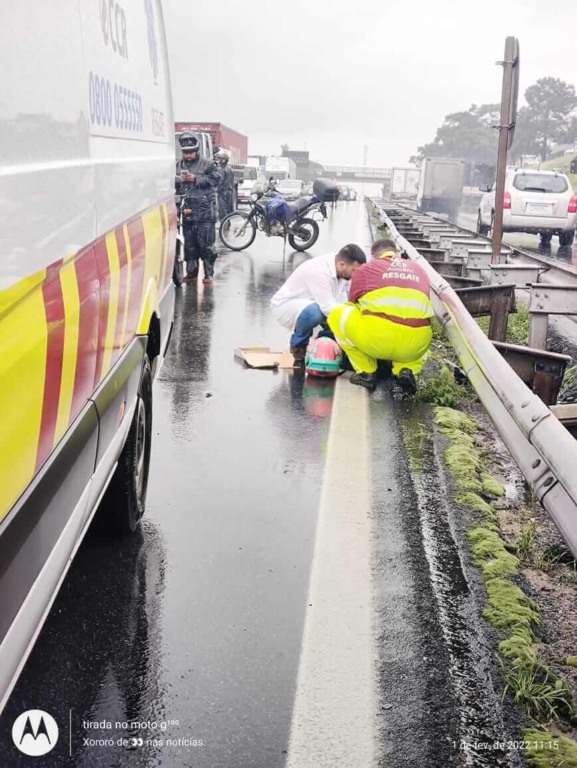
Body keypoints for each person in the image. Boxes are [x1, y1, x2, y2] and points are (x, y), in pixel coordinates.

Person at [327, 238, 433, 394]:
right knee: (420, 323)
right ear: (396, 252)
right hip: (413, 347)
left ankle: (366, 373)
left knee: (338, 313)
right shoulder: (420, 270)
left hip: (378, 341)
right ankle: (406, 370)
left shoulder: (365, 269)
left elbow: (354, 304)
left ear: (374, 256)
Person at [270, 244, 366, 361]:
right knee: (315, 313)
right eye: (354, 271)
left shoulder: (342, 268)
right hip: (287, 306)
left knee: (336, 321)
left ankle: (328, 348)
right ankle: (298, 345)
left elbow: (343, 301)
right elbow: (328, 307)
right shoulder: (319, 270)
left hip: (315, 302)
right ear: (341, 264)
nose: (356, 275)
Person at [175, 132, 220, 283]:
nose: (188, 155)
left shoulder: (209, 164)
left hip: (205, 212)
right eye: (185, 153)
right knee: (190, 245)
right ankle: (191, 272)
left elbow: (216, 179)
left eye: (191, 152)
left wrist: (196, 179)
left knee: (206, 245)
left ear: (197, 150)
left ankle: (208, 273)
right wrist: (179, 181)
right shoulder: (178, 165)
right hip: (187, 211)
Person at [215, 149, 235, 220]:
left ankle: (223, 224)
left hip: (223, 192)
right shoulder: (230, 169)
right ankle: (227, 223)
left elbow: (220, 181)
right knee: (228, 208)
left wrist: (216, 189)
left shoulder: (221, 169)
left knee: (222, 209)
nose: (218, 160)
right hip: (230, 191)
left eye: (220, 159)